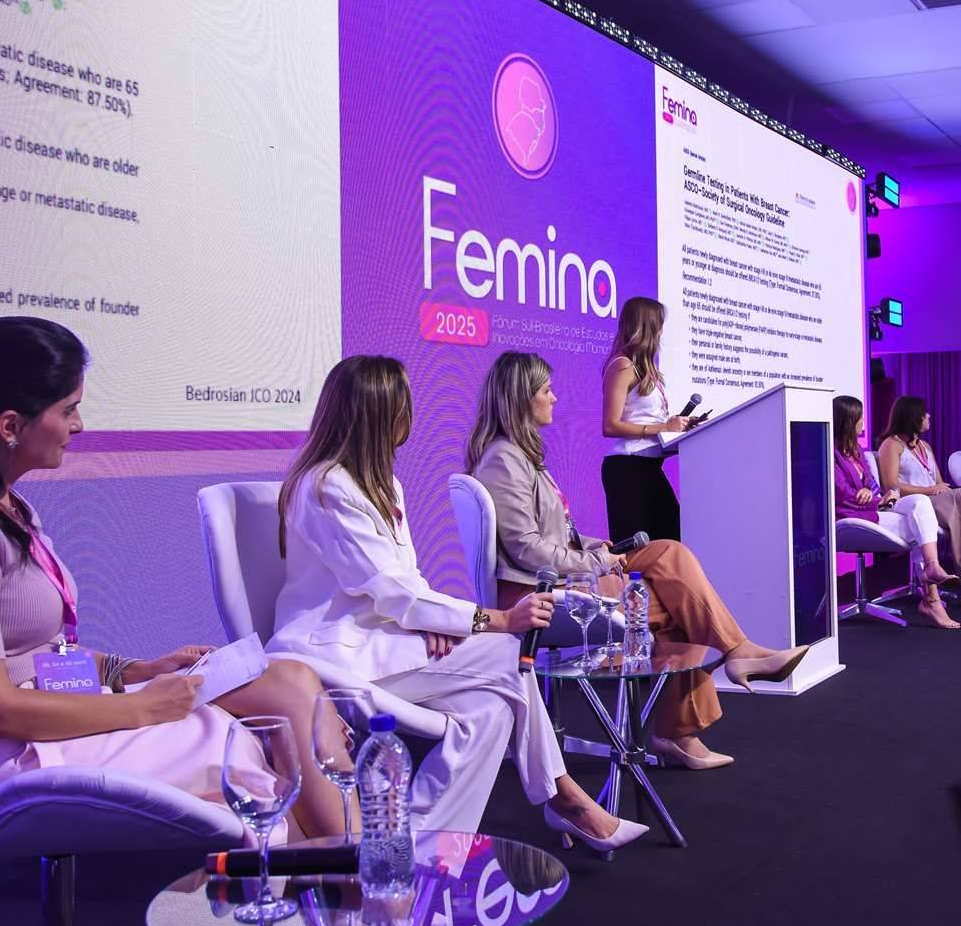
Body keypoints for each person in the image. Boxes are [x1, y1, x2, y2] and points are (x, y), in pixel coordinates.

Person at [0, 317, 344, 840]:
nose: (79, 425)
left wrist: (132, 670)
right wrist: (141, 705)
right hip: (14, 754)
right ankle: (352, 872)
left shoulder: (4, 508)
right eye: (68, 409)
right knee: (254, 740)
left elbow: (36, 652)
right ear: (10, 426)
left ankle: (350, 867)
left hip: (51, 721)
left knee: (289, 682)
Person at [266, 355, 647, 852]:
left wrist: (437, 622)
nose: (410, 417)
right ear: (381, 414)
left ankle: (420, 844)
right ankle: (563, 797)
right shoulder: (325, 487)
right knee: (509, 653)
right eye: (404, 405)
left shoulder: (381, 483)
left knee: (491, 710)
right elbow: (393, 591)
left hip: (390, 638)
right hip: (342, 656)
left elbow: (407, 582)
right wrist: (494, 620)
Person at [467, 351, 810, 771]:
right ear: (522, 399)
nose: (555, 398)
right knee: (672, 601)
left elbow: (554, 534)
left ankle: (728, 667)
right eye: (546, 391)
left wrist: (596, 545)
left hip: (560, 577)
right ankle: (691, 715)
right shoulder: (503, 460)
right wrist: (596, 561)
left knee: (670, 553)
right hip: (536, 595)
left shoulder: (521, 455)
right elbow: (527, 549)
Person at [831, 396, 959, 629]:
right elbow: (841, 494)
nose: (863, 422)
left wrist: (875, 494)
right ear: (848, 421)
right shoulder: (832, 453)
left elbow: (868, 483)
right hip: (850, 516)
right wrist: (875, 500)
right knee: (919, 527)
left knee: (919, 502)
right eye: (860, 417)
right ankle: (932, 597)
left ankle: (932, 569)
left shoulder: (856, 450)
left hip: (872, 507)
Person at [876, 395, 961, 610]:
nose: (929, 416)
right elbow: (891, 485)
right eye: (924, 413)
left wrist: (937, 489)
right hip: (915, 503)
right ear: (912, 416)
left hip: (937, 499)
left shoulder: (925, 446)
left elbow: (939, 482)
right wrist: (930, 490)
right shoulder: (891, 444)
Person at [600, 296, 687, 542]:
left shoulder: (645, 370)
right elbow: (610, 425)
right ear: (647, 328)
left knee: (671, 539)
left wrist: (677, 427)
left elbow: (645, 417)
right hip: (628, 469)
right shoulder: (622, 366)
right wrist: (663, 427)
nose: (661, 333)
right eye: (659, 326)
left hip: (649, 467)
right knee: (638, 549)